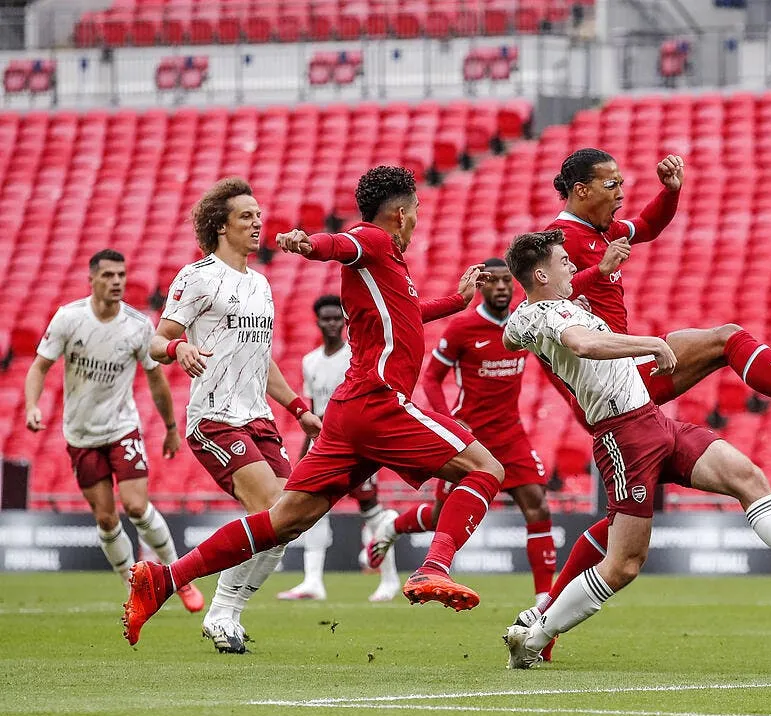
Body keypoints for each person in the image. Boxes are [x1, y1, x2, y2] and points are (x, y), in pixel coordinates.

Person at [122, 165, 503, 648]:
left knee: (284, 520)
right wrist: (310, 245)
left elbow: (406, 313)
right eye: (416, 211)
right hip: (375, 402)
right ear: (401, 214)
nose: (417, 220)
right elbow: (344, 243)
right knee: (486, 468)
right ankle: (434, 566)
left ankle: (165, 579)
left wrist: (456, 301)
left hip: (341, 413)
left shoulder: (375, 271)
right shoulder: (374, 241)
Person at [530, 149, 771, 644]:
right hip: (608, 384)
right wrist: (597, 272)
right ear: (581, 190)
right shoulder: (558, 242)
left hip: (630, 382)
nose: (621, 192)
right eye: (611, 184)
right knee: (725, 339)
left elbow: (648, 225)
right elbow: (540, 305)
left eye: (622, 182)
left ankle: (541, 625)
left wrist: (670, 192)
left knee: (631, 522)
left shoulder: (606, 231)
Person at [149, 178, 322, 653]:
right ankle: (215, 609)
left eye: (258, 215)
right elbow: (157, 340)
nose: (257, 223)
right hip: (215, 417)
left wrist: (298, 408)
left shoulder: (261, 284)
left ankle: (227, 614)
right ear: (221, 226)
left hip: (259, 417)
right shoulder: (197, 276)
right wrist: (178, 348)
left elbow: (260, 358)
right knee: (271, 508)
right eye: (246, 216)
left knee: (288, 522)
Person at [24, 249, 204, 612]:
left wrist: (171, 427)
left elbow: (156, 379)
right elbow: (40, 366)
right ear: (91, 280)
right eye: (108, 275)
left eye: (121, 274)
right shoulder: (69, 318)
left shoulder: (138, 325)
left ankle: (179, 577)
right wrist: (31, 405)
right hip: (81, 435)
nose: (117, 281)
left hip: (122, 428)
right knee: (106, 519)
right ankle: (134, 588)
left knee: (136, 506)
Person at [420, 258, 556, 609]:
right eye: (493, 281)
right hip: (471, 440)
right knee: (438, 517)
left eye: (506, 281)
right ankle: (392, 528)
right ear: (481, 286)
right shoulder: (462, 328)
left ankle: (544, 603)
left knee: (538, 506)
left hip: (511, 435)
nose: (501, 287)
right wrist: (448, 422)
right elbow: (431, 378)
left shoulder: (524, 322)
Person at [276, 294, 401, 603]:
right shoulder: (309, 362)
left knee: (371, 511)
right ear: (318, 322)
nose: (332, 324)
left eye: (336, 318)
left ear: (344, 322)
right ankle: (312, 582)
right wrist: (304, 454)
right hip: (324, 446)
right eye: (326, 318)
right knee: (312, 510)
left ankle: (390, 579)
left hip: (357, 445)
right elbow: (313, 411)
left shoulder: (354, 358)